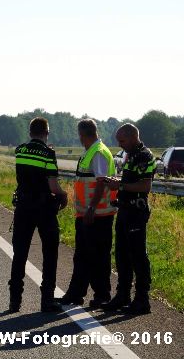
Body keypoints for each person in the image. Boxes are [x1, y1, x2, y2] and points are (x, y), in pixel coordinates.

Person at [9, 117, 68, 313]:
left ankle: (15, 300)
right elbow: (53, 185)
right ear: (46, 132)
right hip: (44, 208)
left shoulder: (20, 150)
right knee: (50, 253)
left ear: (30, 132)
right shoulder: (48, 153)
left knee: (20, 253)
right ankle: (47, 300)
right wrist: (63, 194)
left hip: (23, 206)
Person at [60, 119, 117, 308]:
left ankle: (102, 295)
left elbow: (101, 182)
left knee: (98, 257)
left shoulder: (98, 152)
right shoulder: (91, 151)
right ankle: (76, 293)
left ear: (82, 134)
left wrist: (91, 208)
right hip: (88, 214)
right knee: (83, 256)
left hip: (97, 214)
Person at [102, 123, 155, 315]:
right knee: (122, 255)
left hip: (136, 213)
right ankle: (122, 295)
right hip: (124, 210)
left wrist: (120, 186)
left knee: (138, 256)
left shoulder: (144, 156)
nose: (120, 144)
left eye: (122, 140)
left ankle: (142, 299)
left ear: (133, 137)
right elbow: (128, 182)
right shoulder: (130, 154)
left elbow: (144, 186)